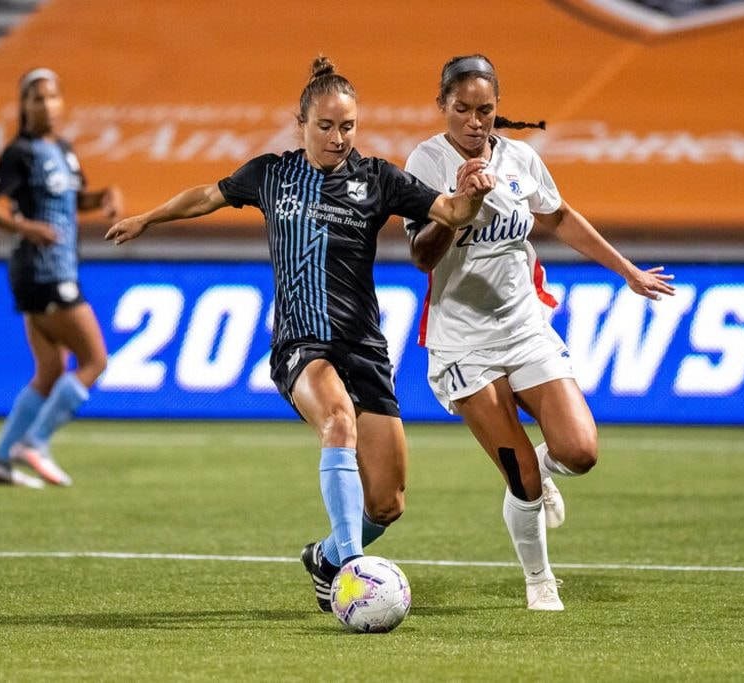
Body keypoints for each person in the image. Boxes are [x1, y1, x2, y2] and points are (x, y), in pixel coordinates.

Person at [105, 56, 494, 612]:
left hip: (364, 347)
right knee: (337, 421)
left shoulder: (378, 179)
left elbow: (451, 211)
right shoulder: (272, 174)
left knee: (387, 503)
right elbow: (207, 195)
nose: (338, 138)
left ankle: (329, 557)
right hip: (301, 344)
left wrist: (474, 196)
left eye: (348, 126)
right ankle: (357, 576)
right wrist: (149, 217)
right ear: (301, 124)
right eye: (326, 126)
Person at [404, 54, 676, 610]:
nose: (475, 122)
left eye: (486, 110)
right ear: (442, 107)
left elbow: (557, 216)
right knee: (519, 473)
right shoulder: (425, 162)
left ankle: (544, 472)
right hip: (463, 343)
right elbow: (422, 256)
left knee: (580, 451)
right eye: (462, 110)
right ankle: (539, 580)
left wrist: (625, 270)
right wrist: (461, 206)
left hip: (525, 328)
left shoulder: (520, 158)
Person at [0, 68, 123, 489]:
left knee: (50, 370)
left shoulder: (63, 149)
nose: (46, 105)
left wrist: (108, 196)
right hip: (44, 269)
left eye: (53, 96)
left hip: (52, 270)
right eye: (37, 98)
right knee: (95, 360)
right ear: (23, 106)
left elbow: (75, 199)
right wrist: (27, 228)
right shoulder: (19, 152)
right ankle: (35, 442)